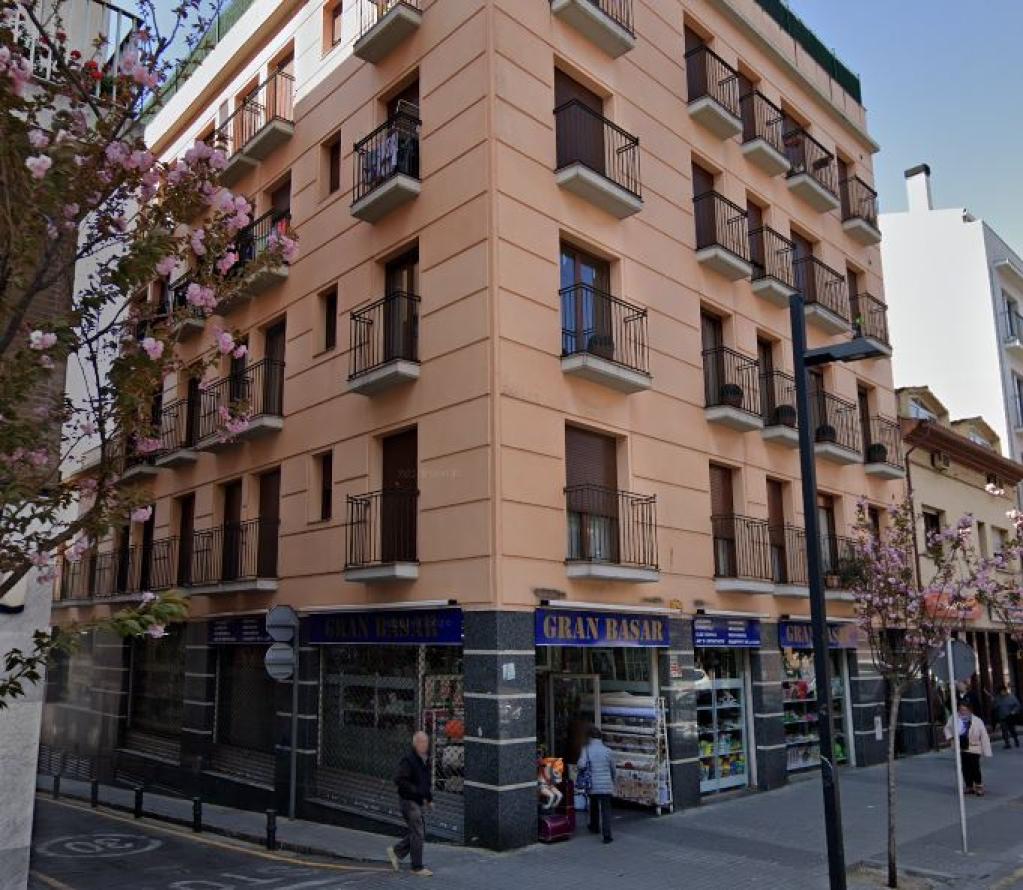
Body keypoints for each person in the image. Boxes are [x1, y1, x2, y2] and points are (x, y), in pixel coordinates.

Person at [388, 731, 434, 876]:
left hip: (417, 801)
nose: (424, 745)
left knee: (418, 831)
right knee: (418, 831)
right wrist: (416, 791)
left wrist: (429, 799)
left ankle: (396, 852)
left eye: (426, 742)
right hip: (408, 800)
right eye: (421, 742)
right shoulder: (408, 760)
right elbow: (399, 780)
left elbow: (426, 782)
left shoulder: (425, 760)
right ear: (415, 744)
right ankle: (417, 867)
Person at [944, 701, 993, 796]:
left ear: (969, 710)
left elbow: (984, 735)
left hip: (974, 747)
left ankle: (979, 786)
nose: (963, 712)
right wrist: (951, 738)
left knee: (975, 767)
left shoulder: (977, 720)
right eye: (961, 710)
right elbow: (947, 728)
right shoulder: (954, 718)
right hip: (962, 747)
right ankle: (969, 785)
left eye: (965, 710)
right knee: (965, 768)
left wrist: (986, 750)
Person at [578, 727, 616, 844]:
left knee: (593, 804)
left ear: (589, 738)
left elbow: (581, 765)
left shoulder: (586, 749)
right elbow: (613, 769)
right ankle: (607, 836)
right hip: (606, 784)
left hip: (592, 784)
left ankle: (594, 826)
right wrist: (612, 780)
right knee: (606, 810)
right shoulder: (608, 751)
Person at [992, 684, 1021, 749]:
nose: (1002, 693)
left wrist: (1014, 711)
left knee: (1012, 730)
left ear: (1005, 690)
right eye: (1000, 692)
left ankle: (1016, 740)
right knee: (1004, 731)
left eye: (1003, 691)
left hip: (1010, 717)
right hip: (1002, 717)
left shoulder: (1011, 697)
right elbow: (994, 707)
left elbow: (1018, 705)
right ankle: (1007, 743)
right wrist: (993, 702)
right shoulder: (998, 698)